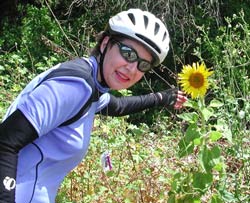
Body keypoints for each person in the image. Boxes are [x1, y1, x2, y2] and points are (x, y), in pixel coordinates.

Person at [0, 8, 187, 203]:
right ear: (106, 43)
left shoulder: (92, 84)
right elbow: (5, 141)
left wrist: (161, 97)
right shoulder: (76, 86)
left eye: (143, 65)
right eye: (128, 54)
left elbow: (117, 106)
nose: (132, 68)